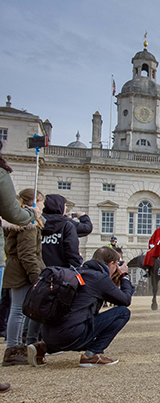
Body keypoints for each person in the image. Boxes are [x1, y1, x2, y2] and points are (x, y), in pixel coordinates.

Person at [27, 246, 134, 367]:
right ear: (111, 264)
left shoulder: (77, 272)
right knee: (123, 312)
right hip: (72, 336)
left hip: (49, 335)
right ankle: (92, 355)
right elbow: (125, 300)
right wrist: (124, 275)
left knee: (71, 323)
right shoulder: (100, 278)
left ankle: (42, 347)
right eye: (116, 265)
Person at [0, 142, 38, 392]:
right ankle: (14, 347)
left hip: (11, 265)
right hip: (16, 268)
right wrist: (33, 217)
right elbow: (14, 214)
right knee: (17, 310)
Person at [2, 189, 44, 367]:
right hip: (21, 272)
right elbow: (27, 255)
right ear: (34, 204)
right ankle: (12, 349)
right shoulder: (28, 223)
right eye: (42, 203)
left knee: (18, 311)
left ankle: (15, 346)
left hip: (17, 270)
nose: (43, 207)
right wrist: (36, 277)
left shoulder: (22, 221)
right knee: (18, 311)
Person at [40, 194, 81, 268]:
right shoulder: (67, 225)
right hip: (60, 273)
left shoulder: (36, 222)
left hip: (37, 271)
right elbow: (72, 251)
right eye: (65, 206)